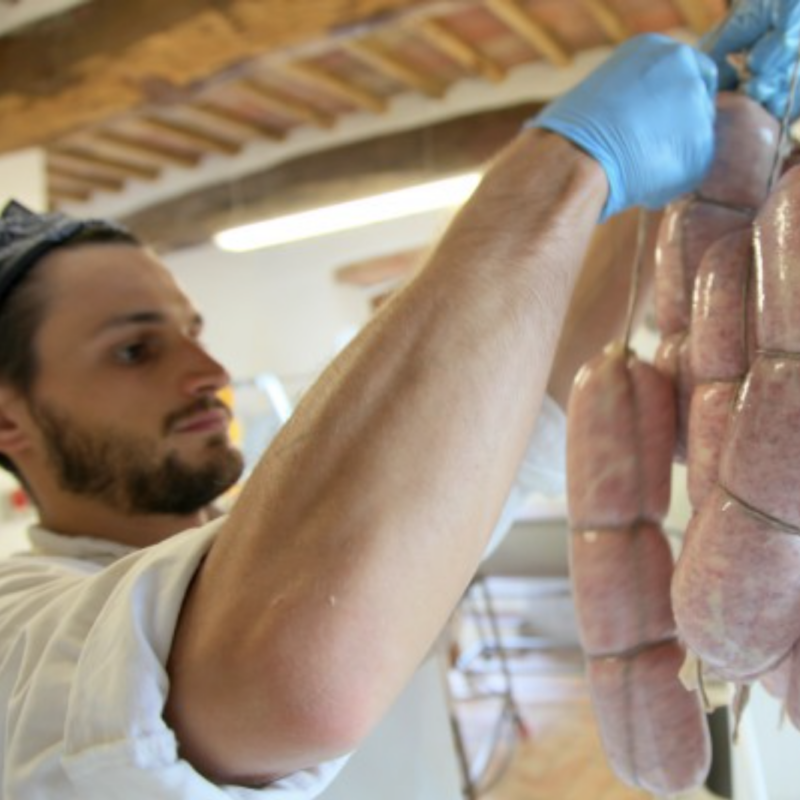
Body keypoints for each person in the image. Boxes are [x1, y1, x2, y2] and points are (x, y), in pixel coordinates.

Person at [0, 8, 793, 794]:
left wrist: (701, 150)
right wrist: (568, 161)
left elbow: (538, 384)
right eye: (135, 349)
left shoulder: (283, 511)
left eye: (191, 331)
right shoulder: (17, 628)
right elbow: (293, 674)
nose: (207, 368)